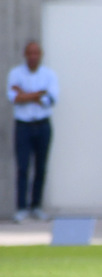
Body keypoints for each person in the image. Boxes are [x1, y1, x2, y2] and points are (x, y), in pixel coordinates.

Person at [8, 40, 58, 222]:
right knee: (23, 167)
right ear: (25, 54)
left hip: (43, 125)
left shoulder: (49, 75)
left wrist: (24, 93)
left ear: (41, 55)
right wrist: (38, 93)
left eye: (36, 53)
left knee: (40, 167)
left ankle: (36, 206)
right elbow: (14, 98)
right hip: (23, 126)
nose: (33, 56)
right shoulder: (15, 73)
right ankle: (21, 208)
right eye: (30, 53)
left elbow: (50, 100)